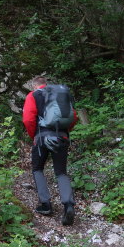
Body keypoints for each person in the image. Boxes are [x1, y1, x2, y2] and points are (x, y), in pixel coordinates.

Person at [22, 76, 78, 225]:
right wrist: (64, 132)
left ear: (35, 86)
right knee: (61, 172)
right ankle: (68, 205)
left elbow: (28, 119)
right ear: (46, 84)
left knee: (37, 168)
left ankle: (46, 205)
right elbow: (74, 117)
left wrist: (35, 135)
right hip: (62, 137)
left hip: (42, 138)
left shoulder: (33, 95)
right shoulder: (59, 95)